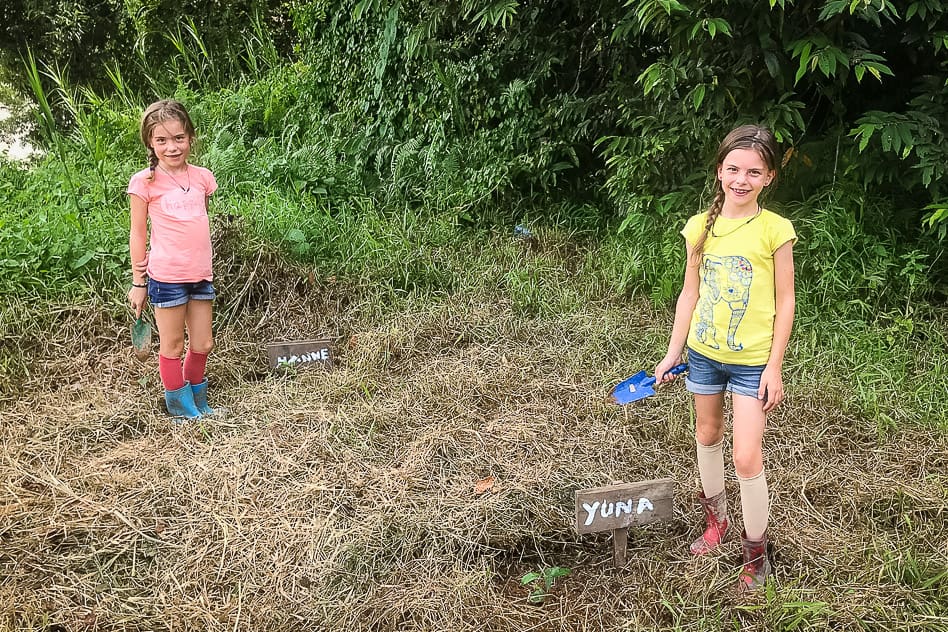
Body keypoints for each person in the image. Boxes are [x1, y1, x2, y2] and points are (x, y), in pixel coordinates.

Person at [653, 124, 796, 591]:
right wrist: (673, 353)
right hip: (703, 356)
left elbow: (786, 301)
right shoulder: (700, 226)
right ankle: (716, 521)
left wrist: (774, 366)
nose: (741, 178)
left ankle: (757, 553)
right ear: (719, 171)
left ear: (769, 177)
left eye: (754, 171)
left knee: (747, 456)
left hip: (752, 361)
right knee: (707, 435)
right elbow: (689, 294)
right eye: (733, 168)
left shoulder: (776, 230)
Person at [127, 99, 220, 421]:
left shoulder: (203, 177)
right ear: (150, 143)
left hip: (200, 274)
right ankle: (181, 409)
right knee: (173, 345)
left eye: (179, 138)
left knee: (204, 342)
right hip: (166, 276)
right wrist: (139, 283)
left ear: (191, 137)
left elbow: (200, 221)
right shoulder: (144, 182)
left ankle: (199, 400)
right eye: (162, 140)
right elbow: (138, 234)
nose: (172, 147)